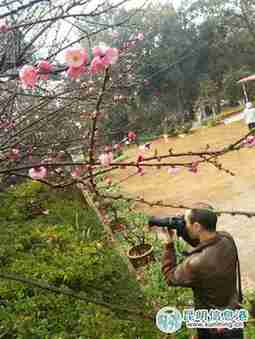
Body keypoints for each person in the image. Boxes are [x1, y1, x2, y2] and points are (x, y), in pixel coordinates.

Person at [150, 204, 244, 339]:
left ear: (197, 227)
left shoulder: (195, 263)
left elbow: (170, 276)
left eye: (186, 222)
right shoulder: (227, 239)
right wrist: (184, 231)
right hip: (233, 316)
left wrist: (169, 244)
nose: (184, 224)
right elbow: (205, 244)